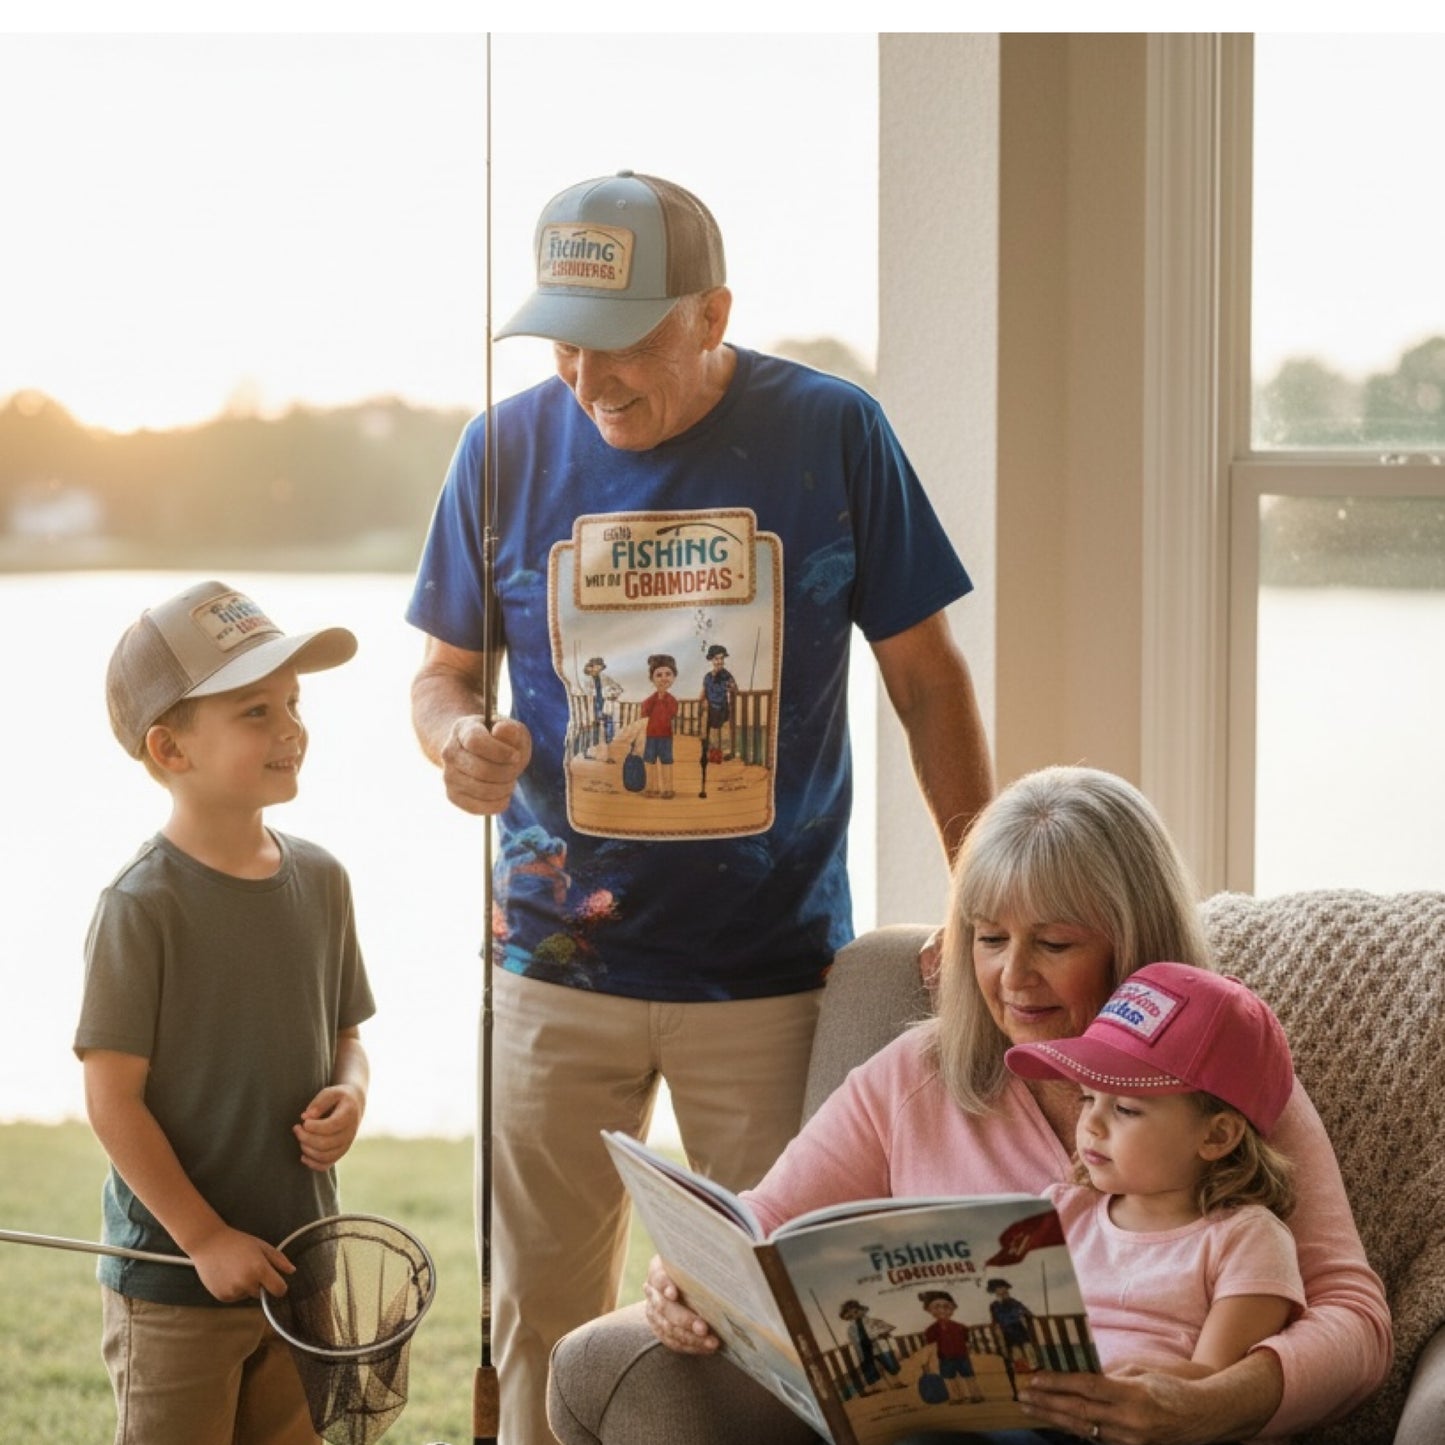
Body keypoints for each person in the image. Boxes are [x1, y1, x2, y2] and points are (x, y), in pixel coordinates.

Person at [406, 168, 994, 1443]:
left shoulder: (832, 431)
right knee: (541, 1319)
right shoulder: (499, 449)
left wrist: (974, 891)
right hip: (551, 967)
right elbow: (444, 670)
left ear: (710, 312)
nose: (587, 374)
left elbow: (928, 682)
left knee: (775, 1321)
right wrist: (456, 738)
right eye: (561, 338)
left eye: (618, 342)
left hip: (772, 975)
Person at [639, 766, 1390, 1445]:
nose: (1011, 975)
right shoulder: (912, 1076)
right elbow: (762, 1227)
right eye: (989, 936)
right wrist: (687, 1277)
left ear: (1133, 943)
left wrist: (1218, 1399)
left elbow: (1354, 1319)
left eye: (1054, 943)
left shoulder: (1220, 1083)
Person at [75, 579, 375, 1445]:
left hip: (298, 1264)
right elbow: (112, 1100)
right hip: (173, 1280)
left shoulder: (321, 878)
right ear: (170, 747)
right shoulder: (141, 905)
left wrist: (350, 1095)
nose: (291, 728)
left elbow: (346, 1035)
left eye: (292, 701)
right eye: (254, 711)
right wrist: (205, 1237)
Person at [1006, 963, 1305, 1395]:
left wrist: (1106, 1390)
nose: (1091, 1124)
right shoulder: (1061, 1210)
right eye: (1087, 1097)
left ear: (1217, 1135)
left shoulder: (1246, 1240)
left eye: (1125, 1109)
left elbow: (1216, 1387)